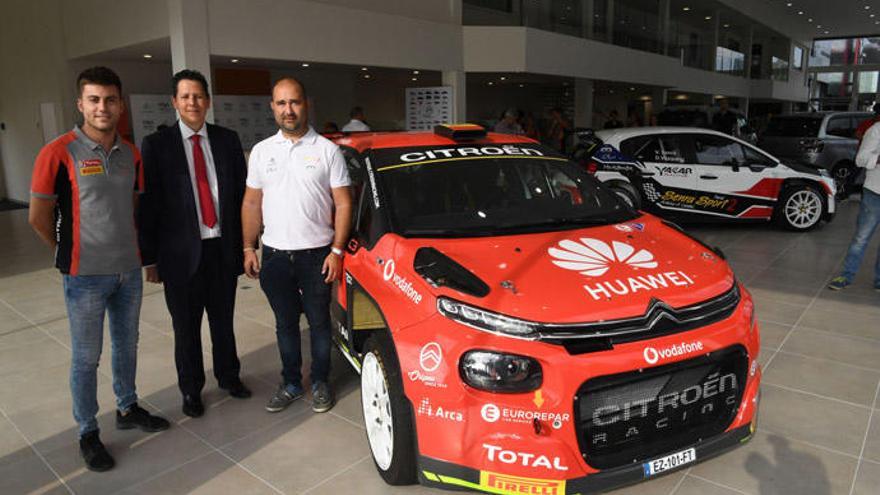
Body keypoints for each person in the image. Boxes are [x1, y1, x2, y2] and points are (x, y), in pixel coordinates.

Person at [28, 66, 170, 472]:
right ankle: (88, 431)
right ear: (80, 104)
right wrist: (67, 250)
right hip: (84, 276)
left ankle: (127, 408)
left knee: (127, 346)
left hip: (127, 271)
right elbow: (38, 216)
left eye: (109, 100)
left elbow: (134, 208)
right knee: (86, 357)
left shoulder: (132, 153)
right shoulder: (57, 153)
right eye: (94, 100)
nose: (102, 107)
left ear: (120, 105)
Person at [138, 69, 251, 419]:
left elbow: (242, 196)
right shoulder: (157, 146)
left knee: (223, 322)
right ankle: (191, 390)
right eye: (185, 96)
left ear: (208, 101)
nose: (192, 102)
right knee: (185, 329)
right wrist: (150, 259)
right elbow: (149, 205)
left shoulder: (227, 139)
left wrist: (249, 245)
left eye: (198, 96)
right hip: (179, 256)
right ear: (174, 102)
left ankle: (229, 377)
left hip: (222, 249)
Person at [242, 77, 353, 414]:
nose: (288, 110)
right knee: (285, 324)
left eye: (294, 102)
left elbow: (344, 204)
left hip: (317, 256)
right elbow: (251, 203)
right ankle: (291, 382)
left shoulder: (327, 151)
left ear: (306, 104)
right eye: (281, 103)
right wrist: (249, 247)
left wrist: (336, 251)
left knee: (319, 323)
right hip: (275, 256)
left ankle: (320, 381)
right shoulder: (262, 152)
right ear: (272, 107)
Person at [828, 119, 880, 291]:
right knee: (861, 238)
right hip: (875, 193)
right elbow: (860, 159)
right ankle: (847, 275)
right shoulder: (876, 130)